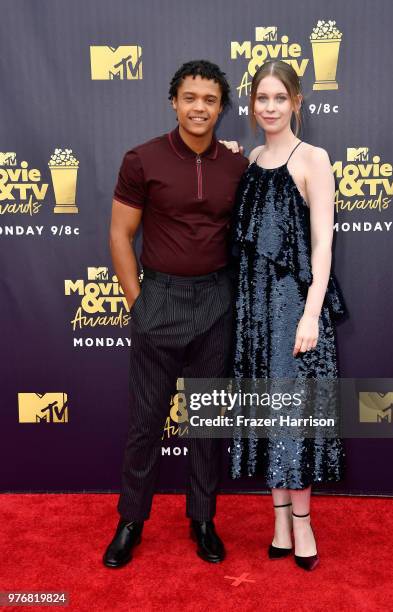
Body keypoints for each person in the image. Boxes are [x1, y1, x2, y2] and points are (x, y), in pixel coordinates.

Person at [103, 60, 248, 568]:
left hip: (215, 300)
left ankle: (203, 519)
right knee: (145, 422)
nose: (199, 107)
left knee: (207, 420)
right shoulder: (142, 159)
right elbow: (121, 235)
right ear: (174, 102)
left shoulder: (237, 165)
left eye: (209, 100)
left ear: (222, 108)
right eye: (190, 97)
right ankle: (130, 521)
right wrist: (137, 302)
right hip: (158, 298)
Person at [229, 60, 347, 571]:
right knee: (266, 416)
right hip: (254, 309)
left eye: (280, 97)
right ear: (251, 105)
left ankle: (303, 523)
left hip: (295, 310)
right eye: (262, 99)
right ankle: (277, 520)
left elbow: (323, 245)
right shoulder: (252, 156)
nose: (270, 107)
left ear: (297, 101)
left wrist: (310, 314)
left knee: (294, 419)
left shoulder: (314, 159)